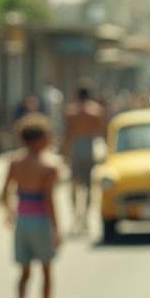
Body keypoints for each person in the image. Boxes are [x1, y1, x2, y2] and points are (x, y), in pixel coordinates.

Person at [2, 113, 62, 298]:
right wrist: (56, 228)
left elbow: (4, 192)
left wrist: (9, 212)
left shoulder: (15, 163)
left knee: (24, 273)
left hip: (22, 221)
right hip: (41, 221)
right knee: (46, 272)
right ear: (39, 139)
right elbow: (48, 199)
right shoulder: (49, 165)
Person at [62, 85, 105, 234]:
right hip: (89, 148)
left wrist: (64, 154)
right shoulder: (95, 110)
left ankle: (76, 215)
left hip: (75, 148)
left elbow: (67, 134)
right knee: (88, 186)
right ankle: (85, 217)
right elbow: (100, 131)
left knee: (73, 183)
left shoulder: (71, 111)